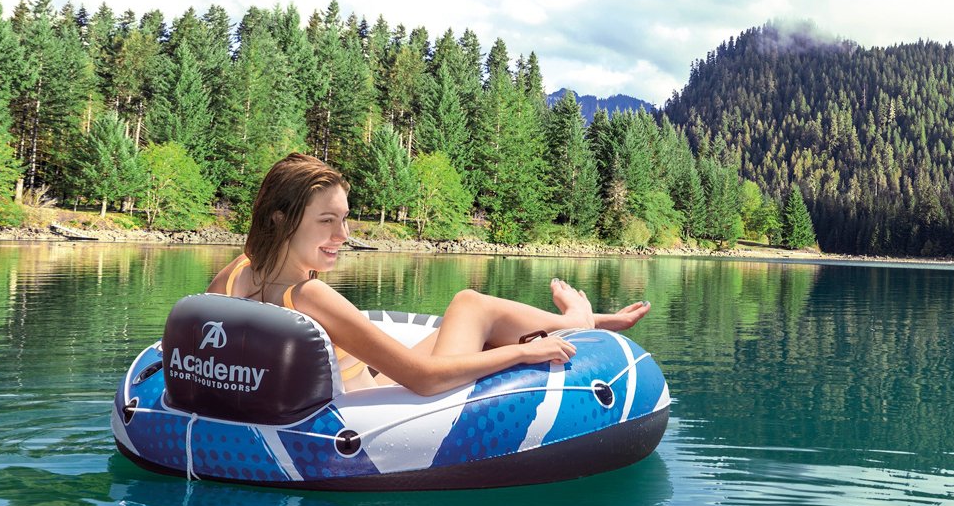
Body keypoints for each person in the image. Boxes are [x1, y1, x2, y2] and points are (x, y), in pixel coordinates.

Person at [207, 153, 650, 396]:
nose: (343, 234)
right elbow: (421, 378)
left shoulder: (233, 276)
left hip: (360, 383)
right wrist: (521, 356)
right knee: (470, 304)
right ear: (282, 220)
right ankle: (579, 322)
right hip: (379, 404)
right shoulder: (309, 297)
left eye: (344, 219)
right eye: (326, 220)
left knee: (474, 315)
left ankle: (588, 321)